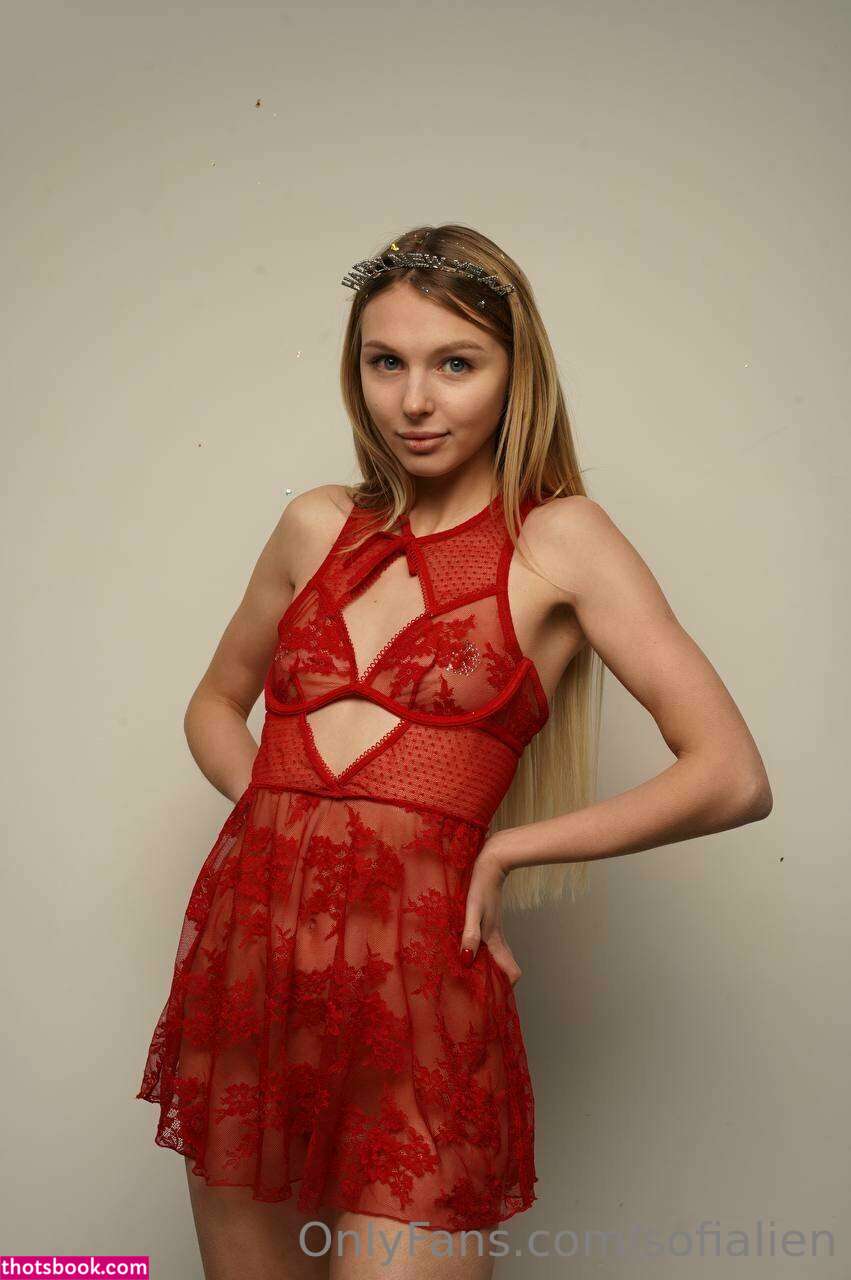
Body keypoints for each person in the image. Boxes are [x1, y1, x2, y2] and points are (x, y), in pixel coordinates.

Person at [136, 224, 773, 1279]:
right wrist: (277, 815)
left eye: (456, 364)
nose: (414, 401)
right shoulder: (313, 525)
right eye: (385, 362)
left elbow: (730, 774)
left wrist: (506, 850)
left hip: (416, 985)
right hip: (249, 968)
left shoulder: (562, 540)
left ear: (516, 375)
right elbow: (213, 702)